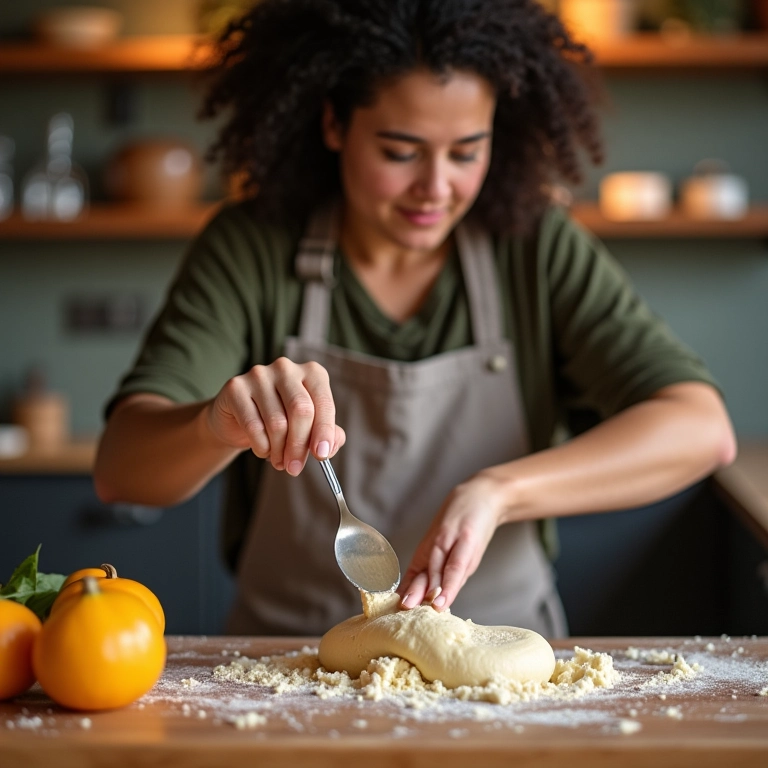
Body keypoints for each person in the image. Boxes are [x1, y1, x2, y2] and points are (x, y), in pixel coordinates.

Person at [94, 0, 736, 638]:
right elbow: (123, 471)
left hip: (500, 670)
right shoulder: (252, 245)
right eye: (401, 152)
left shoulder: (535, 246)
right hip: (285, 665)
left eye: (466, 152)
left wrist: (499, 492)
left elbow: (701, 430)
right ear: (334, 125)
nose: (435, 187)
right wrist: (214, 425)